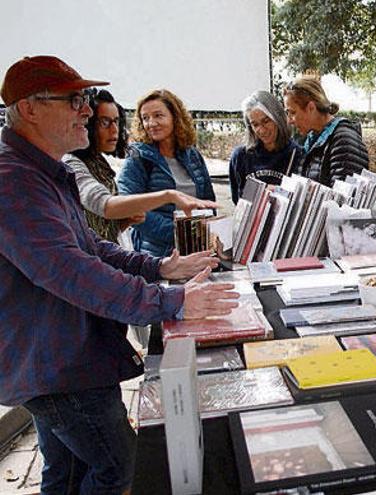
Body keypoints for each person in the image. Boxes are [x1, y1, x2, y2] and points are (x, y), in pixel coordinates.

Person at [0, 55, 239, 494]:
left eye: (86, 99)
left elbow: (92, 248)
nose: (87, 111)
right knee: (122, 470)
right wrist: (173, 299)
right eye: (75, 100)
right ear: (30, 108)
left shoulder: (45, 170)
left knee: (67, 473)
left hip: (63, 360)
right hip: (60, 365)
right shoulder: (14, 180)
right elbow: (72, 271)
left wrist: (160, 267)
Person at [63, 89, 216, 242]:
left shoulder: (192, 155)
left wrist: (209, 231)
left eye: (116, 121)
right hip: (157, 251)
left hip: (196, 244)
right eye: (104, 122)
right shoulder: (74, 163)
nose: (115, 130)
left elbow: (107, 232)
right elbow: (107, 205)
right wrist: (177, 224)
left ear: (175, 117)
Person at [117, 89, 216, 256]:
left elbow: (208, 201)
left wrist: (208, 234)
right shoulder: (137, 157)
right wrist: (177, 234)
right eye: (145, 118)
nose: (151, 123)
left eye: (158, 115)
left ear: (175, 117)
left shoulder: (193, 155)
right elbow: (129, 206)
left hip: (197, 249)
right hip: (156, 254)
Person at [283, 76, 369, 186]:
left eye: (292, 113)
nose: (289, 121)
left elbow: (342, 200)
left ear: (311, 108)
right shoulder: (310, 140)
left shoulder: (344, 141)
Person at [229, 90, 301, 204]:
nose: (261, 130)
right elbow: (237, 200)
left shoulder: (297, 154)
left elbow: (300, 200)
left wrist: (277, 191)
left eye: (266, 121)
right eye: (255, 124)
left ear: (278, 118)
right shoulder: (240, 156)